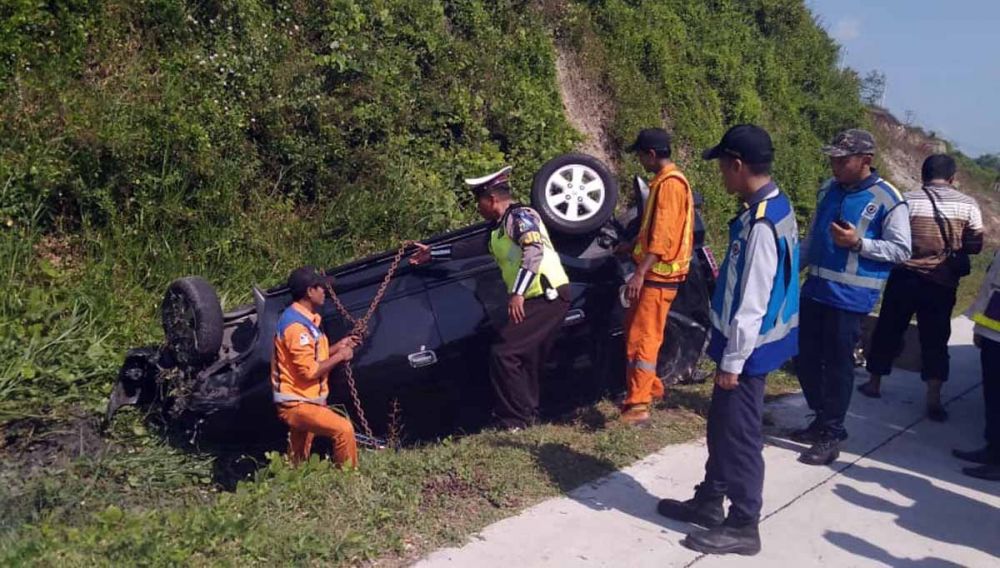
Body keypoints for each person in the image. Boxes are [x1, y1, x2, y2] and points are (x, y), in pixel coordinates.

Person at [657, 125, 799, 556]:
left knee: (739, 435)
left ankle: (743, 522)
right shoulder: (773, 206)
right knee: (722, 427)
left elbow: (753, 300)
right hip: (745, 347)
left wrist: (733, 362)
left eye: (722, 165)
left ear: (737, 165)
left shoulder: (761, 224)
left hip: (748, 350)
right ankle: (709, 500)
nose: (720, 174)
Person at [409, 166, 570, 431]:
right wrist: (432, 253)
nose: (477, 207)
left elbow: (533, 250)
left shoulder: (521, 217)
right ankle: (526, 415)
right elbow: (469, 248)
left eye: (478, 201)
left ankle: (514, 421)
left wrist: (517, 292)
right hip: (535, 298)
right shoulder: (498, 229)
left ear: (492, 199)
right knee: (522, 356)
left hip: (546, 294)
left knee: (505, 353)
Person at [795, 129, 911, 466]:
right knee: (803, 357)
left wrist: (859, 244)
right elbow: (813, 238)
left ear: (866, 161)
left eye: (842, 159)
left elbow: (902, 250)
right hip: (815, 290)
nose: (835, 164)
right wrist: (789, 272)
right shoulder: (828, 190)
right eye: (832, 158)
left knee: (837, 365)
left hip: (851, 297)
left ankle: (831, 433)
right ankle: (822, 417)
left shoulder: (888, 198)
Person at [859, 154, 984, 420]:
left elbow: (890, 236)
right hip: (942, 282)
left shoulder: (906, 199)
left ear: (922, 175)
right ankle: (934, 398)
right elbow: (975, 246)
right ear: (952, 178)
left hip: (903, 277)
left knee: (889, 330)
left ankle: (874, 383)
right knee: (936, 340)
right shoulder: (969, 205)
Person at [618, 128, 696, 426]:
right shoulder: (664, 182)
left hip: (657, 277)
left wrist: (639, 272)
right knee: (637, 333)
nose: (639, 160)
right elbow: (653, 232)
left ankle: (638, 407)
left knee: (644, 340)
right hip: (655, 273)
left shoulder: (670, 185)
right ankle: (650, 388)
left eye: (640, 155)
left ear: (651, 154)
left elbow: (662, 239)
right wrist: (630, 248)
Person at [271, 266, 360, 467]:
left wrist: (339, 347)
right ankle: (349, 481)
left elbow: (313, 357)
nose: (325, 291)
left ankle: (294, 481)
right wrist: (342, 356)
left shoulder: (305, 320)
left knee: (298, 458)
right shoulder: (296, 328)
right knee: (343, 429)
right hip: (297, 405)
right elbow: (310, 371)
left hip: (306, 401)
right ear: (310, 291)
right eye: (321, 287)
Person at [954, 251, 1000, 481]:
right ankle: (992, 449)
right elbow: (991, 286)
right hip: (993, 328)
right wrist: (980, 329)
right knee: (992, 396)